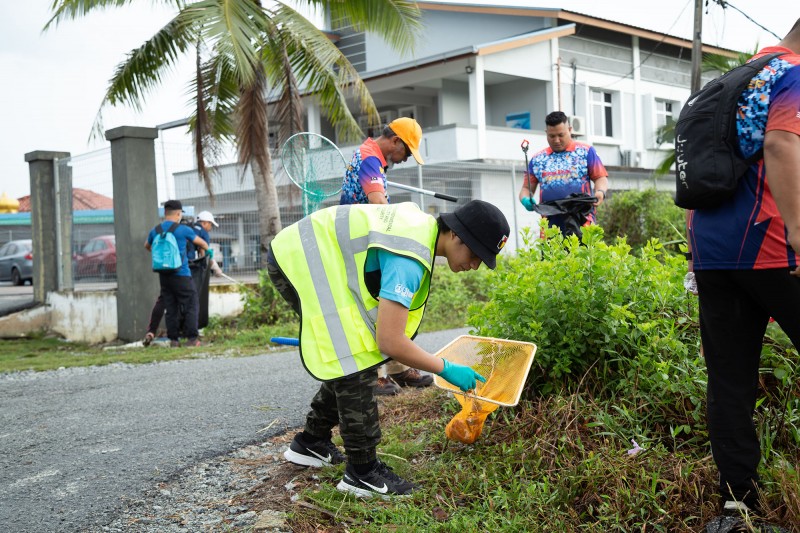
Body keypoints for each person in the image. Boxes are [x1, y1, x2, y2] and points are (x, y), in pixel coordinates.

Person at [269, 200, 510, 497]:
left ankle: (311, 443)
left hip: (305, 253)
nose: (474, 265)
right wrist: (445, 368)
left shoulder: (420, 234)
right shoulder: (409, 258)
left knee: (352, 355)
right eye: (476, 255)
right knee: (354, 359)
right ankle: (362, 472)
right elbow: (390, 342)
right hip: (299, 260)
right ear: (458, 236)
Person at [687, 21, 800, 516]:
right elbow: (781, 145)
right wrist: (799, 231)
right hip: (772, 246)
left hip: (712, 251)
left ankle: (737, 508)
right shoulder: (792, 73)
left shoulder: (733, 80)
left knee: (729, 382)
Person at [340, 116, 434, 395]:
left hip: (367, 241)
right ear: (395, 141)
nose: (405, 159)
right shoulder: (370, 159)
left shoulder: (372, 156)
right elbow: (378, 203)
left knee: (386, 304)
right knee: (374, 306)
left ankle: (396, 368)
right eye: (406, 151)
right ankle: (375, 376)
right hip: (364, 245)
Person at [518, 111, 609, 237]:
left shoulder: (586, 152)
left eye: (561, 135)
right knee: (552, 256)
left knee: (583, 255)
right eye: (552, 136)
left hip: (582, 221)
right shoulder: (537, 159)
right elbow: (526, 188)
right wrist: (525, 200)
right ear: (546, 133)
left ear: (570, 130)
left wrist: (600, 192)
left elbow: (600, 177)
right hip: (550, 224)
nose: (556, 140)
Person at [142, 210, 222, 345]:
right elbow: (203, 247)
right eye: (210, 225)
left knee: (168, 303)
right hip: (183, 271)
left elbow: (147, 246)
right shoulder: (186, 230)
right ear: (178, 214)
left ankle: (170, 338)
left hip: (165, 272)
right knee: (192, 302)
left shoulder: (156, 230)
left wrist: (164, 259)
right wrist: (211, 265)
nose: (210, 228)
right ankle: (191, 338)